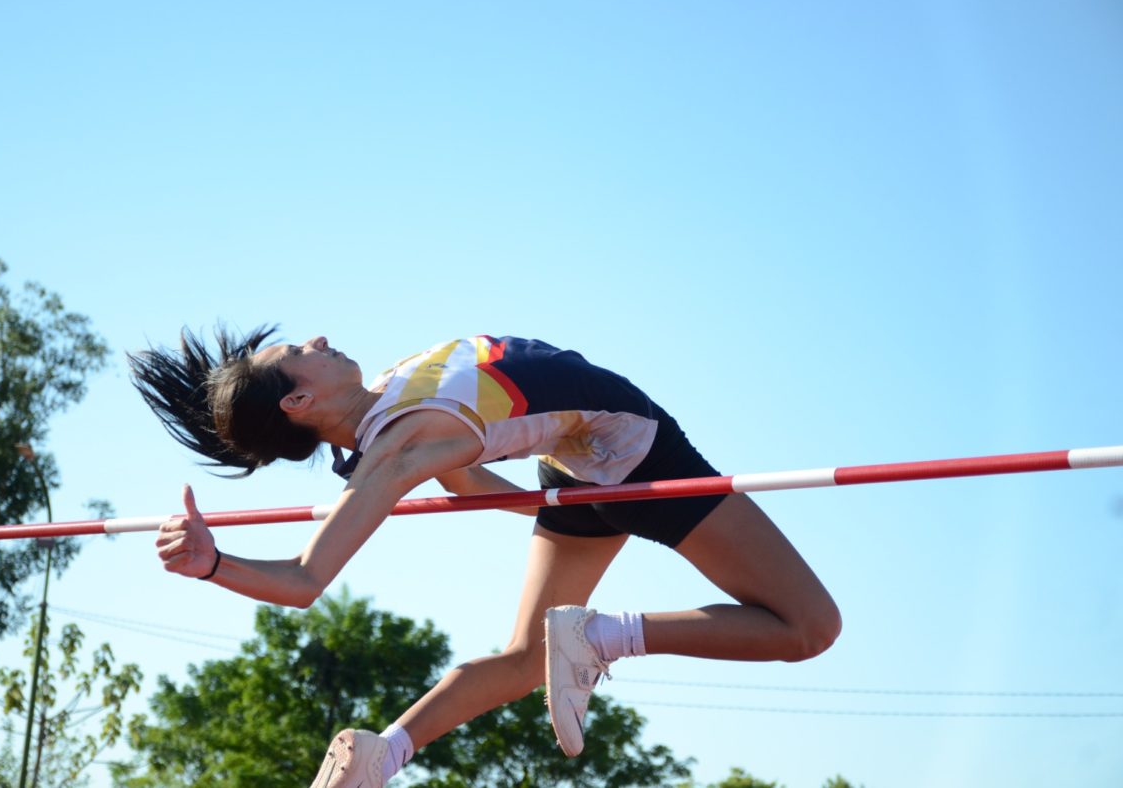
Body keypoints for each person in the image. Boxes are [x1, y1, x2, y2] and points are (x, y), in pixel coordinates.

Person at [128, 329, 841, 788]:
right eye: (297, 353)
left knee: (528, 656)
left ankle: (384, 756)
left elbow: (469, 479)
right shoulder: (397, 449)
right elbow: (306, 580)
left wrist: (563, 516)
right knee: (809, 626)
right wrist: (213, 563)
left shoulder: (386, 401)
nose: (316, 337)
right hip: (633, 455)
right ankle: (607, 635)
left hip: (577, 470)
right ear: (302, 399)